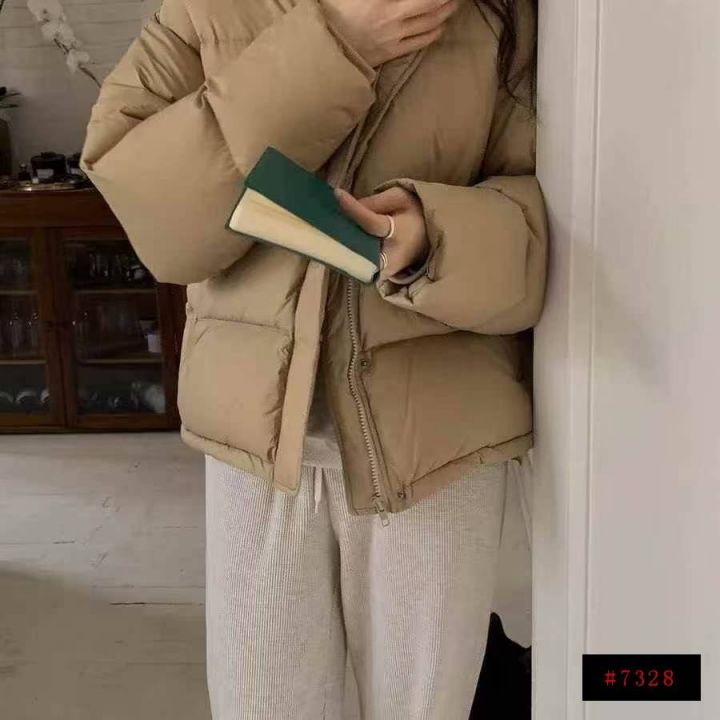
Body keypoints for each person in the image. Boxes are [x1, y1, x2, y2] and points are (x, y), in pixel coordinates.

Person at [81, 0, 548, 717]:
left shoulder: (498, 16)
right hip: (255, 441)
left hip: (437, 444)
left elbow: (555, 223)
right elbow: (156, 216)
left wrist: (435, 239)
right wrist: (333, 47)